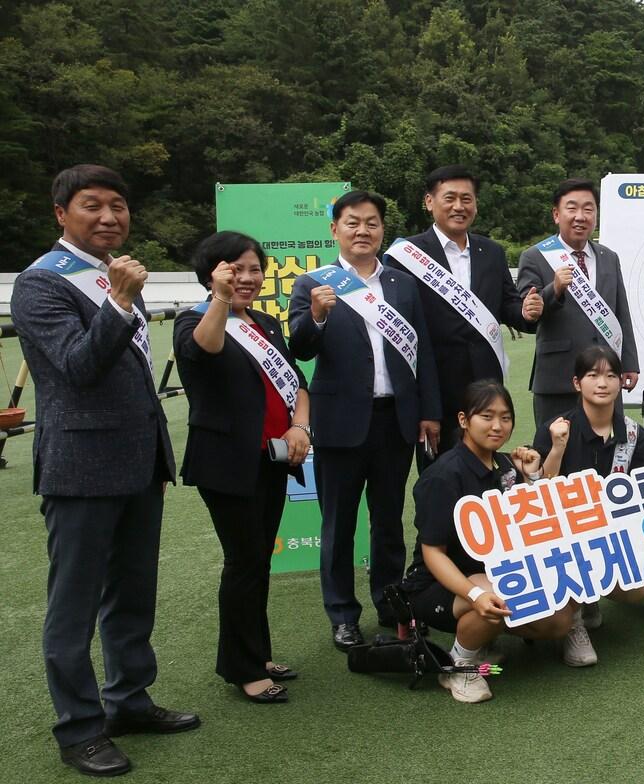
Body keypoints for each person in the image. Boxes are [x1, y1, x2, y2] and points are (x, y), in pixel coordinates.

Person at [12, 165, 196, 777]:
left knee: (132, 593)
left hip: (138, 462)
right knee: (74, 604)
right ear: (61, 213)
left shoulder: (115, 276)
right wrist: (117, 300)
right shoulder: (42, 284)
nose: (110, 217)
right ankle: (79, 728)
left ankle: (129, 700)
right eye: (93, 206)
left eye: (118, 205)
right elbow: (76, 366)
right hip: (81, 468)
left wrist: (118, 294)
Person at [288, 190, 442, 651]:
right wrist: (315, 315)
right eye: (353, 223)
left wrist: (430, 412)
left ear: (382, 231)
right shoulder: (313, 284)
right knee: (338, 524)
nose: (363, 231)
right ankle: (342, 613)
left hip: (395, 419)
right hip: (340, 423)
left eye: (372, 223)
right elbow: (300, 349)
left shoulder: (401, 284)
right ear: (334, 229)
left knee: (389, 521)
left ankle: (389, 601)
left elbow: (424, 355)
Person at [175, 231, 312, 703]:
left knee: (257, 561)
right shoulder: (194, 319)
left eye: (254, 269)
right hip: (226, 465)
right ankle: (243, 668)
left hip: (271, 459)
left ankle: (257, 653)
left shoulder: (267, 324)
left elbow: (298, 385)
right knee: (243, 563)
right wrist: (220, 297)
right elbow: (206, 347)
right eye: (236, 270)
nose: (248, 278)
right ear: (213, 273)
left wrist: (301, 427)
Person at [400, 380, 576, 704]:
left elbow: (541, 512)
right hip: (437, 585)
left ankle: (484, 639)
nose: (498, 426)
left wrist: (532, 475)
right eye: (487, 416)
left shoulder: (506, 464)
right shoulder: (443, 476)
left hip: (494, 575)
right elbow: (433, 553)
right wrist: (475, 594)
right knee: (500, 593)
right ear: (464, 420)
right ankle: (459, 664)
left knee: (559, 620)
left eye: (506, 417)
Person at [384, 166, 544, 460]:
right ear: (429, 202)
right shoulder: (405, 257)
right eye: (450, 198)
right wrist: (425, 406)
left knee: (486, 477)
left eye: (466, 199)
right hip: (435, 391)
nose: (459, 206)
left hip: (486, 387)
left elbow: (508, 306)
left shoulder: (492, 252)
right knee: (439, 481)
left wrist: (526, 312)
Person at [533, 346, 644, 665]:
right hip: (562, 534)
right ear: (577, 383)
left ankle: (586, 598)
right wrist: (558, 448)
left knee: (639, 584)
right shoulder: (555, 429)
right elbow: (537, 496)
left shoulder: (636, 435)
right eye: (592, 375)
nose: (602, 383)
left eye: (610, 375)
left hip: (611, 533)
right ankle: (573, 621)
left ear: (620, 383)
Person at [515, 178, 639, 430]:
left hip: (606, 375)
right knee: (556, 453)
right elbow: (528, 313)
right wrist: (555, 289)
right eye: (572, 208)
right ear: (556, 214)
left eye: (588, 209)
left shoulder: (608, 257)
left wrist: (629, 363)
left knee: (607, 447)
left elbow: (620, 312)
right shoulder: (535, 256)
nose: (580, 216)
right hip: (558, 376)